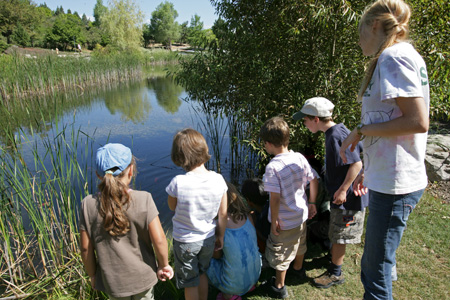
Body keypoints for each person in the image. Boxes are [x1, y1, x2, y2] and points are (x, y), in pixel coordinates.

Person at [339, 1, 430, 299]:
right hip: (388, 178)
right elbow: (390, 120)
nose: (358, 39)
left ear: (374, 25)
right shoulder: (402, 55)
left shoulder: (393, 56)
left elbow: (417, 121)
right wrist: (368, 167)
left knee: (375, 274)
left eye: (360, 30)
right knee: (376, 265)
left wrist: (361, 130)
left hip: (396, 185)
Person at [79, 143, 173, 300]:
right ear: (131, 171)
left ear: (98, 175)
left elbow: (85, 248)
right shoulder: (144, 199)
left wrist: (93, 275)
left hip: (112, 283)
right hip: (143, 278)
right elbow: (160, 239)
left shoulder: (88, 204)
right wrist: (163, 265)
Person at [293, 97, 369, 289]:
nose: (304, 123)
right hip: (340, 194)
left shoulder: (335, 136)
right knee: (336, 232)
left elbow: (357, 163)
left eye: (305, 120)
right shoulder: (336, 132)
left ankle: (336, 273)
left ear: (316, 119)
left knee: (340, 235)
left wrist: (343, 189)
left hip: (348, 199)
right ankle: (334, 259)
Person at [260, 116, 319, 299]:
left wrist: (274, 221)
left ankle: (279, 286)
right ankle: (299, 269)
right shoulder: (299, 157)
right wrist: (312, 202)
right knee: (300, 244)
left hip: (284, 220)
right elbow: (314, 180)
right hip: (300, 215)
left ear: (268, 144)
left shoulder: (273, 167)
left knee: (281, 252)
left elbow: (275, 199)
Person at [166, 128, 228, 300]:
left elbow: (172, 207)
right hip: (208, 238)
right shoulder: (218, 179)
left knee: (189, 282)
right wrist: (220, 236)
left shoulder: (178, 182)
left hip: (185, 242)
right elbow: (223, 214)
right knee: (202, 274)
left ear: (179, 157)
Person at [206, 182, 262, 300]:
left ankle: (229, 295)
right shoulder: (248, 217)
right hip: (255, 275)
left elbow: (216, 255)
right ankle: (247, 285)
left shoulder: (217, 227)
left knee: (206, 262)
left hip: (233, 285)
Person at [241, 178, 270, 254]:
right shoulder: (268, 205)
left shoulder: (265, 217)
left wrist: (253, 228)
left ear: (249, 200)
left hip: (266, 245)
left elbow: (266, 239)